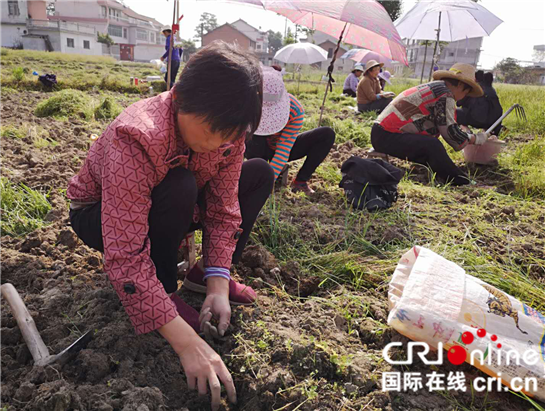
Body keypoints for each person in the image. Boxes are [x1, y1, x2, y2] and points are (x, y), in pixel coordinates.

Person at [67, 42, 274, 411]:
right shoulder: (137, 135)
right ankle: (164, 291)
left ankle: (201, 276)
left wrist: (218, 284)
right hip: (100, 214)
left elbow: (224, 210)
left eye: (228, 134)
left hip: (175, 199)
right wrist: (185, 342)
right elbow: (125, 256)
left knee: (256, 174)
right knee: (180, 185)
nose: (218, 144)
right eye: (211, 130)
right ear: (180, 97)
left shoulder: (228, 138)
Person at [370, 63, 489, 186]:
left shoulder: (437, 88)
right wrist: (475, 138)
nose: (462, 98)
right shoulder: (445, 95)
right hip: (386, 136)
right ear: (460, 85)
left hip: (380, 133)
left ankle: (442, 170)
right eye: (466, 93)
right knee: (433, 146)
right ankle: (460, 181)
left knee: (430, 144)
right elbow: (450, 132)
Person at [245, 65, 336, 195]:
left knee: (326, 134)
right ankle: (259, 171)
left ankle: (300, 181)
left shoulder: (295, 110)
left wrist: (267, 184)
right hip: (256, 147)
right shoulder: (247, 104)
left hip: (280, 145)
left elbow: (283, 150)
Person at [457, 71, 503, 135]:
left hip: (476, 120)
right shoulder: (492, 90)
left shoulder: (474, 89)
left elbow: (459, 103)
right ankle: (488, 134)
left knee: (456, 112)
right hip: (494, 122)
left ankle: (466, 131)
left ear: (474, 79)